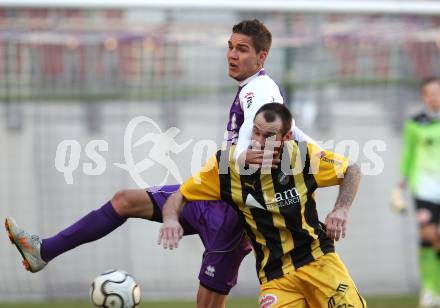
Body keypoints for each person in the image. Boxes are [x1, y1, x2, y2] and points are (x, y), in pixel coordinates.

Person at [5, 19, 311, 307]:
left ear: (262, 57)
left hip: (232, 216)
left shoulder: (260, 91)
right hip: (212, 195)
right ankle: (43, 251)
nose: (231, 54)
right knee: (125, 200)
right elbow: (297, 138)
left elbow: (252, 148)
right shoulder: (254, 90)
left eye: (241, 49)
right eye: (230, 47)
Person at [159, 103, 366, 307]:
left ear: (287, 138)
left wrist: (341, 209)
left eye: (268, 136)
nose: (258, 141)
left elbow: (351, 171)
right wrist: (170, 219)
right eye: (255, 132)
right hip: (275, 278)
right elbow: (179, 196)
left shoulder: (303, 156)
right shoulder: (226, 166)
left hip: (319, 261)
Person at [392, 77, 440, 307]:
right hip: (425, 190)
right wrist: (401, 183)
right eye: (430, 93)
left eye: (438, 92)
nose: (435, 97)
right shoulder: (415, 123)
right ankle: (429, 289)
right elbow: (408, 154)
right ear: (424, 97)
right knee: (428, 237)